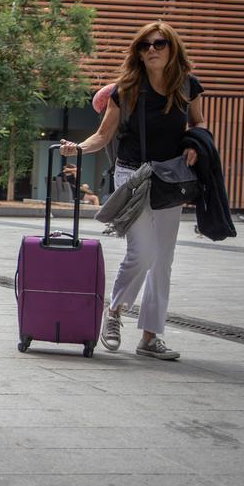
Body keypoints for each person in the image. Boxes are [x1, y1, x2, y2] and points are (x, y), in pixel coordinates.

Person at [60, 21, 206, 361]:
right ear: (138, 52)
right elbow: (103, 135)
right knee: (143, 251)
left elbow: (198, 122)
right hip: (132, 177)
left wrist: (197, 143)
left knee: (163, 260)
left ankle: (150, 337)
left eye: (159, 44)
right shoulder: (124, 89)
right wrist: (77, 149)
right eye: (145, 45)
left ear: (172, 49)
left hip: (169, 177)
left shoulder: (187, 86)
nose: (151, 50)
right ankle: (114, 312)